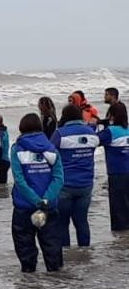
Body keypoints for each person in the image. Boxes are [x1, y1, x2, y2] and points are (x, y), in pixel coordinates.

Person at [9, 113, 64, 273]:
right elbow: (59, 178)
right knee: (52, 245)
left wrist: (35, 200)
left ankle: (29, 283)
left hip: (24, 206)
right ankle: (55, 286)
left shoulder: (17, 149)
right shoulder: (51, 149)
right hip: (49, 206)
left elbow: (19, 180)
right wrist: (46, 199)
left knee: (24, 245)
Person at [50, 105, 99, 247]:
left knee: (62, 222)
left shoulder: (60, 133)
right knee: (82, 221)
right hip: (86, 184)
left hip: (65, 185)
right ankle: (85, 251)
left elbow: (51, 155)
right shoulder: (91, 133)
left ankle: (66, 253)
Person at [97, 101, 129, 232]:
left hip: (117, 174)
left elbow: (93, 140)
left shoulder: (110, 132)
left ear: (112, 116)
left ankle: (120, 239)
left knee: (118, 209)